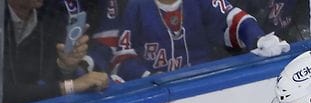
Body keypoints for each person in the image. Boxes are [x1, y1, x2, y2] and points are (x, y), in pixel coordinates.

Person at [110, 0, 290, 80]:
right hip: (156, 94)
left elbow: (231, 18)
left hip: (202, 83)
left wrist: (258, 39)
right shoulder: (136, 6)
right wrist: (149, 78)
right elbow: (122, 57)